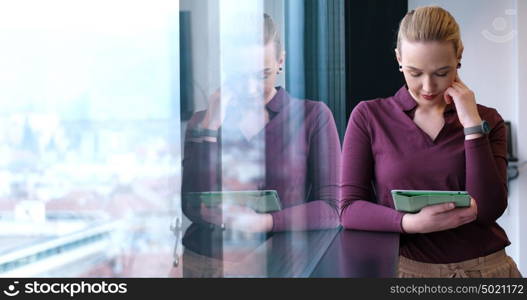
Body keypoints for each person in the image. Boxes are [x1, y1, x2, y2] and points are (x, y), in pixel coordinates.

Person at [340, 6, 522, 278]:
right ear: (398, 58)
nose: (427, 87)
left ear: (459, 57)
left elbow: (489, 210)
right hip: (406, 272)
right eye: (415, 73)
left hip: (488, 271)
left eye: (441, 72)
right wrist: (410, 223)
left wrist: (471, 124)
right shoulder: (369, 116)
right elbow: (348, 209)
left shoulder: (486, 119)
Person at [181, 13, 340, 233]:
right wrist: (210, 127)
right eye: (240, 76)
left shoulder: (313, 116)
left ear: (280, 61)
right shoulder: (203, 122)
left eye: (262, 75)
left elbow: (333, 209)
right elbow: (191, 207)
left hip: (287, 259)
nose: (250, 89)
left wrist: (265, 222)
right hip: (211, 257)